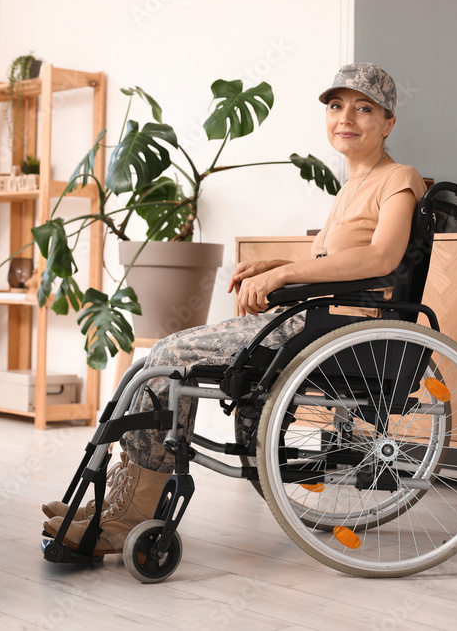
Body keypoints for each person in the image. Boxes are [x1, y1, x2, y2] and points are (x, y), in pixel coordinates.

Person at [42, 62, 427, 556]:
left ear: (388, 122)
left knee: (166, 359)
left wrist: (286, 274)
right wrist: (282, 263)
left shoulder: (399, 178)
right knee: (156, 361)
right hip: (314, 320)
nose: (345, 117)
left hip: (335, 329)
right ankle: (122, 499)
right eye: (336, 106)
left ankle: (132, 511)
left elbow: (380, 258)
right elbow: (341, 264)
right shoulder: (352, 186)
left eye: (363, 108)